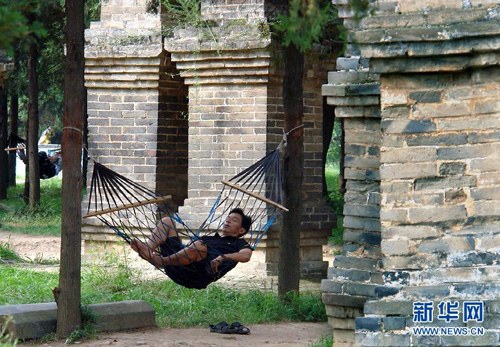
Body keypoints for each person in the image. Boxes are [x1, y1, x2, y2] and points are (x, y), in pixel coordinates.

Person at [131, 208, 253, 289]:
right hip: (180, 262)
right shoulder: (210, 238)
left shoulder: (239, 243)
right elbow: (189, 249)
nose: (228, 221)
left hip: (196, 274)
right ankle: (148, 250)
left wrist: (223, 257)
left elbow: (246, 255)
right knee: (167, 221)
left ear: (242, 230)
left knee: (199, 246)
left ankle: (159, 261)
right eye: (228, 218)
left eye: (234, 220)